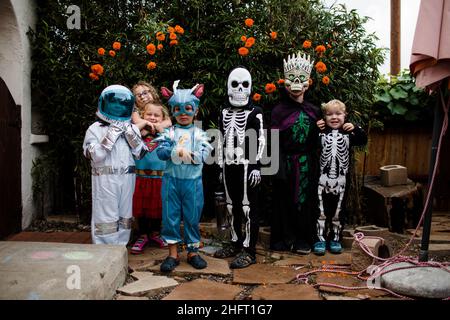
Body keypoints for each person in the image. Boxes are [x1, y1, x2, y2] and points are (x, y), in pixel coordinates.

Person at [155, 80, 212, 272]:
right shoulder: (168, 132)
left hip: (193, 183)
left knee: (192, 216)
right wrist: (175, 152)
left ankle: (193, 252)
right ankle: (172, 254)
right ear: (172, 111)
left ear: (195, 110)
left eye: (188, 108)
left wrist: (189, 155)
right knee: (170, 217)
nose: (183, 113)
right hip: (171, 182)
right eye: (178, 109)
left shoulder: (200, 134)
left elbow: (204, 155)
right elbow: (160, 153)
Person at [213, 66, 265, 269]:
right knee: (230, 206)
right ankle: (235, 243)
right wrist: (218, 166)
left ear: (250, 88)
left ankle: (249, 250)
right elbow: (219, 140)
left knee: (247, 208)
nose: (240, 89)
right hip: (228, 166)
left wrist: (256, 166)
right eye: (235, 84)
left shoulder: (256, 112)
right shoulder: (223, 112)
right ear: (228, 87)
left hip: (246, 167)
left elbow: (261, 139)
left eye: (245, 85)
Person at [83, 84, 147, 245]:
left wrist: (131, 135)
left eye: (122, 103)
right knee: (105, 216)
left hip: (127, 179)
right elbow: (94, 155)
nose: (118, 107)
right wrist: (111, 135)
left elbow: (141, 154)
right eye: (114, 103)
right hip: (105, 181)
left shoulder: (132, 128)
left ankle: (119, 252)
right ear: (104, 103)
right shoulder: (95, 129)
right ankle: (104, 252)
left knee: (125, 215)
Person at [270, 52, 321, 255]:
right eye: (292, 79)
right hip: (285, 162)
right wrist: (274, 167)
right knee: (283, 200)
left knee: (305, 200)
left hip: (307, 163)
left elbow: (320, 139)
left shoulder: (314, 110)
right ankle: (284, 238)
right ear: (285, 83)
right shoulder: (278, 110)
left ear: (308, 83)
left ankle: (302, 239)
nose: (296, 84)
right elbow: (272, 140)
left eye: (301, 79)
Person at [314, 99, 367, 255]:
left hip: (342, 180)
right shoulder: (321, 133)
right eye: (329, 114)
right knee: (320, 211)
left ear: (345, 116)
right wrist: (314, 127)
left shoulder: (349, 134)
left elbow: (363, 139)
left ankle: (335, 238)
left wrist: (356, 128)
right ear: (324, 117)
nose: (334, 117)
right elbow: (310, 142)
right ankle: (320, 239)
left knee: (338, 211)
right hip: (321, 179)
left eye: (338, 114)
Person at [130, 102, 171, 254]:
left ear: (162, 118)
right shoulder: (138, 132)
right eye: (149, 114)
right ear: (143, 116)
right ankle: (142, 235)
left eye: (156, 115)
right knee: (142, 208)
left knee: (157, 207)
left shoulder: (165, 133)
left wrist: (161, 130)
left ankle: (155, 233)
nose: (152, 118)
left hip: (159, 178)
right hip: (141, 177)